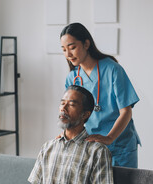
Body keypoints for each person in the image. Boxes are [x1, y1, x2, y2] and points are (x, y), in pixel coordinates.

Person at [0, 85, 114, 184]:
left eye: (71, 104)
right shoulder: (49, 147)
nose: (63, 107)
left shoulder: (98, 151)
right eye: (62, 102)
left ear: (85, 114)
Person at [60, 22, 141, 168]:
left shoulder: (113, 70)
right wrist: (67, 135)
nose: (68, 54)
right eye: (64, 49)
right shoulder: (72, 78)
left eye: (72, 47)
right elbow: (71, 113)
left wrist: (109, 138)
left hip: (119, 146)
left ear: (86, 44)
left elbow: (126, 112)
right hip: (91, 145)